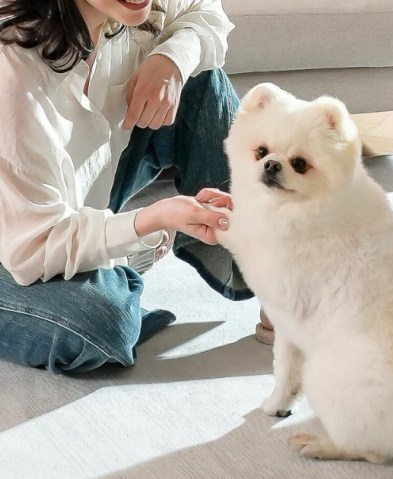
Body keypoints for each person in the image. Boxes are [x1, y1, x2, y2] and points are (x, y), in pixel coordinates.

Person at [0, 0, 271, 373]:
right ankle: (122, 261)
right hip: (18, 237)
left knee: (200, 78)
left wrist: (174, 59)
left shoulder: (130, 9)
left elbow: (207, 12)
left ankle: (278, 280)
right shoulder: (13, 68)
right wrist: (151, 220)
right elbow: (34, 246)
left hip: (73, 197)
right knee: (103, 324)